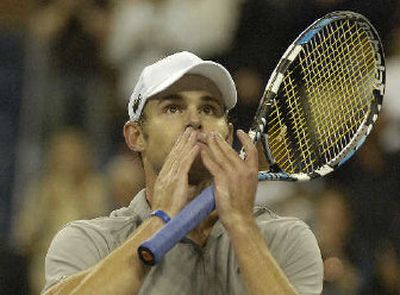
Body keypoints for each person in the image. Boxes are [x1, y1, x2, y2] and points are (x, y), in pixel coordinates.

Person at [42, 51, 323, 295]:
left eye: (208, 109)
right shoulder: (88, 242)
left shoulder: (286, 238)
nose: (194, 120)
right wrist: (159, 222)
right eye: (173, 108)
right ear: (136, 136)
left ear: (226, 137)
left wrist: (241, 225)